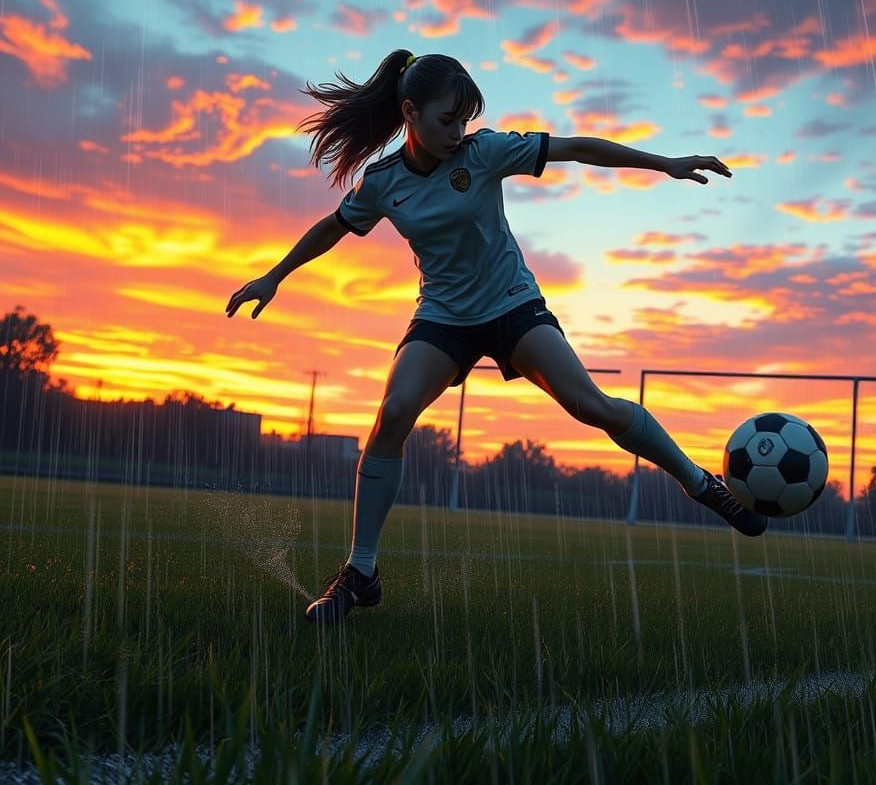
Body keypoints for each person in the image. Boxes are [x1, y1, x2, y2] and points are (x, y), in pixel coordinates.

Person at [225, 50, 766, 625]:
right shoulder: (383, 182)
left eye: (464, 120)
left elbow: (577, 147)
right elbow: (334, 227)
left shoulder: (484, 151)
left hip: (512, 305)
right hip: (443, 318)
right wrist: (274, 276)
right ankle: (361, 573)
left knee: (590, 406)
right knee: (393, 411)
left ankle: (698, 483)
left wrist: (666, 164)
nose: (458, 133)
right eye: (445, 121)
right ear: (409, 112)